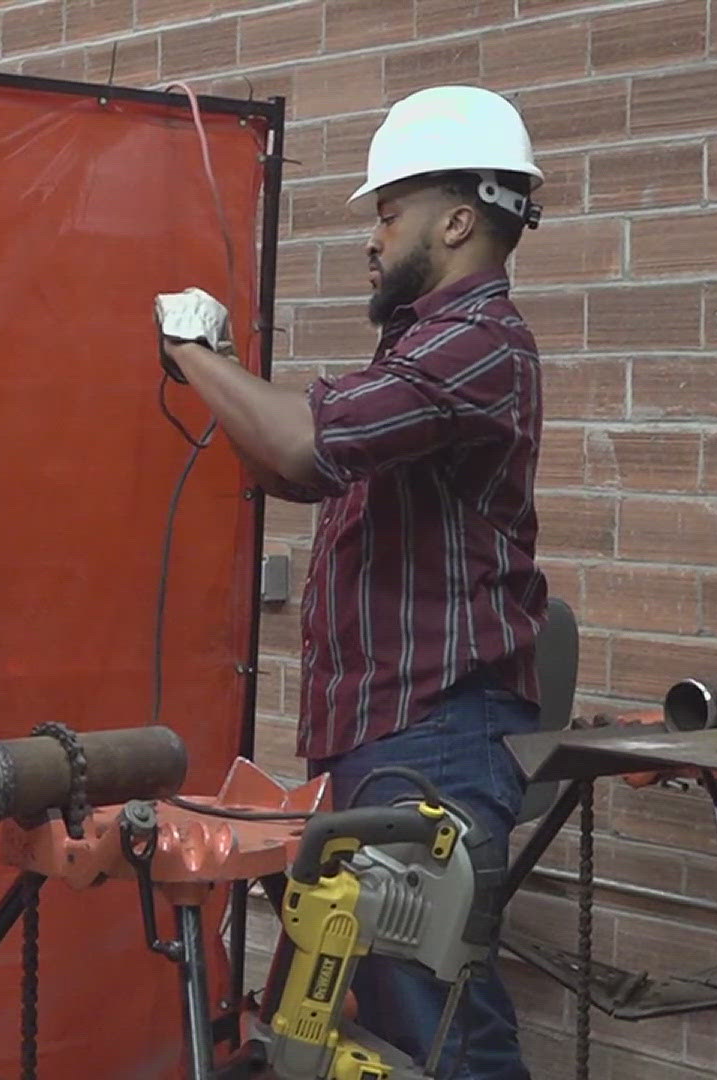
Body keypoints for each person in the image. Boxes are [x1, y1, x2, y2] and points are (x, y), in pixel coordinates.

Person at [153, 85, 549, 1079]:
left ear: (458, 219)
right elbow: (298, 469)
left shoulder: (478, 346)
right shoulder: (423, 348)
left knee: (441, 1031)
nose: (373, 239)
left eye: (387, 212)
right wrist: (231, 373)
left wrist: (191, 354)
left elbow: (304, 435)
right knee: (378, 1028)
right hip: (390, 733)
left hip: (438, 737)